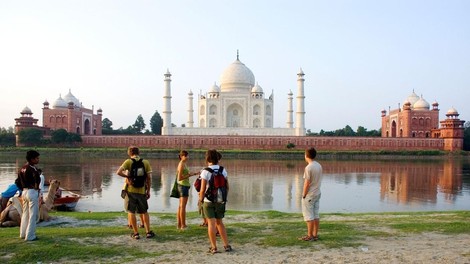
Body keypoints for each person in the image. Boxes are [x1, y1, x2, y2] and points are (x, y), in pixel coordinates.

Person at [116, 146, 155, 239]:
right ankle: (148, 232)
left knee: (131, 211)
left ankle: (136, 233)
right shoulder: (145, 162)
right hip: (142, 190)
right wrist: (148, 190)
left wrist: (127, 177)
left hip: (131, 190)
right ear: (139, 152)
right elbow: (149, 178)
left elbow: (118, 172)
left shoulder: (128, 161)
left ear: (129, 153)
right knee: (144, 211)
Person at [198, 149, 232, 254]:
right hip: (220, 200)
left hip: (208, 201)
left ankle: (214, 247)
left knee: (211, 224)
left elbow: (202, 189)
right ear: (217, 158)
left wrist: (200, 200)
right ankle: (226, 245)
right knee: (220, 223)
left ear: (208, 158)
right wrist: (223, 198)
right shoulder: (223, 170)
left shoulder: (205, 171)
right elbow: (227, 186)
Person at [298, 147, 323, 242]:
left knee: (309, 216)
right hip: (317, 193)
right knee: (316, 215)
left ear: (306, 156)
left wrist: (303, 195)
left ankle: (310, 236)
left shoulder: (308, 168)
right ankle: (315, 235)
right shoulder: (318, 165)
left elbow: (306, 183)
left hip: (310, 194)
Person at [18, 150, 41, 241]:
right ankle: (30, 236)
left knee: (25, 214)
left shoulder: (22, 168)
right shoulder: (33, 169)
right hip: (32, 192)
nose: (38, 160)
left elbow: (17, 181)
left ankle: (23, 233)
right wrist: (35, 187)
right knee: (32, 215)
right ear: (32, 159)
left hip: (24, 192)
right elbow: (37, 181)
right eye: (37, 158)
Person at [175, 150, 198, 230]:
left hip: (183, 186)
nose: (187, 157)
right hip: (183, 186)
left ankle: (179, 224)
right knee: (183, 207)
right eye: (186, 156)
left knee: (181, 206)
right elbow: (180, 177)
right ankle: (183, 225)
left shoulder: (183, 164)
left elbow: (184, 174)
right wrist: (190, 175)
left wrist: (194, 173)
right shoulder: (181, 164)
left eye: (187, 156)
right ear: (181, 156)